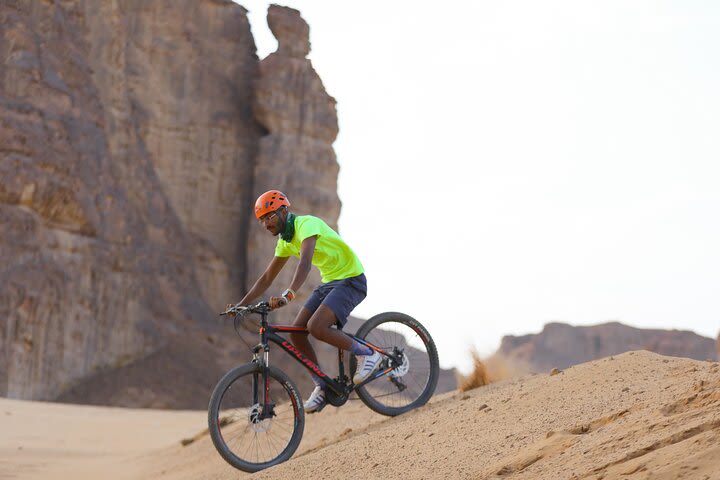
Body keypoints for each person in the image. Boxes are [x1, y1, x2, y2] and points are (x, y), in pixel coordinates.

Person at [238, 190, 380, 413]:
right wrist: (241, 305)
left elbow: (304, 263)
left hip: (351, 278)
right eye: (262, 220)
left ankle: (368, 354)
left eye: (270, 216)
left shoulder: (306, 224)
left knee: (316, 326)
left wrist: (289, 294)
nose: (266, 224)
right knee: (296, 332)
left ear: (284, 211)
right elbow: (266, 278)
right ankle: (321, 385)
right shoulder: (284, 242)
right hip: (330, 282)